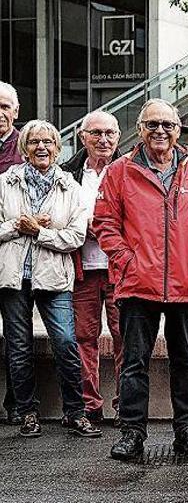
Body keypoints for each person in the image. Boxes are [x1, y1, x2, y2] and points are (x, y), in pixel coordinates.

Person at [94, 99, 188, 460]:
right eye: (152, 124)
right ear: (140, 129)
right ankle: (132, 433)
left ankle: (187, 430)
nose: (160, 131)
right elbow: (104, 223)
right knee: (134, 361)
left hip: (187, 283)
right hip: (138, 284)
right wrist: (126, 260)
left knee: (186, 361)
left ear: (178, 129)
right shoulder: (119, 172)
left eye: (167, 124)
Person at [0, 120, 99, 439]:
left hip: (54, 276)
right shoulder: (5, 182)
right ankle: (27, 412)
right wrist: (18, 225)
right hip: (14, 278)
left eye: (48, 142)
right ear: (23, 148)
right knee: (18, 347)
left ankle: (75, 412)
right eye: (34, 142)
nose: (41, 147)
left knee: (67, 342)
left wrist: (39, 232)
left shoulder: (71, 187)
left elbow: (75, 236)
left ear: (58, 148)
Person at [60, 111, 122, 426]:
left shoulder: (131, 171)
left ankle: (126, 403)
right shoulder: (67, 174)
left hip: (120, 269)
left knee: (125, 336)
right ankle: (89, 404)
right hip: (82, 267)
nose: (103, 139)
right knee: (83, 337)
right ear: (83, 137)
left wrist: (107, 230)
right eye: (96, 133)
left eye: (110, 133)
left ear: (119, 136)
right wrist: (79, 229)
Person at [0, 81, 22, 424]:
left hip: (15, 258)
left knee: (17, 336)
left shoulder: (29, 146)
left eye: (5, 106)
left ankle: (17, 403)